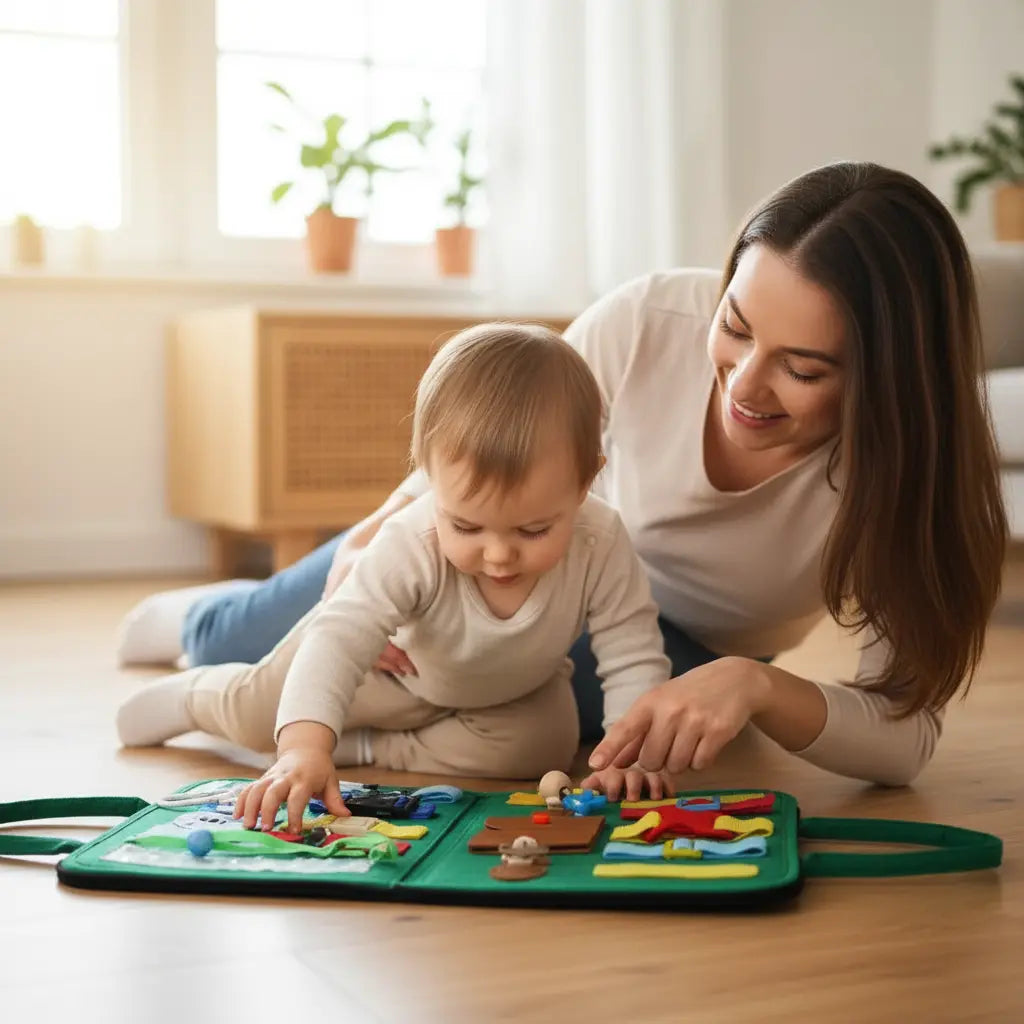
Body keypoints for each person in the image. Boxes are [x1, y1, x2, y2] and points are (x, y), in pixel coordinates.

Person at [122, 160, 1007, 790]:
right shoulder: (648, 319)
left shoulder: (918, 473)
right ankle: (190, 623)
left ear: (891, 380)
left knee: (523, 720)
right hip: (522, 546)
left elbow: (904, 738)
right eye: (735, 325)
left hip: (675, 641)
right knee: (269, 638)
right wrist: (386, 536)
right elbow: (488, 444)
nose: (743, 385)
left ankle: (327, 728)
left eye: (804, 369)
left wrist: (759, 686)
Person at [117, 323, 676, 829]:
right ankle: (195, 697)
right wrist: (303, 748)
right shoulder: (413, 539)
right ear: (429, 479)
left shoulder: (602, 539)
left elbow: (631, 649)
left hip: (508, 695)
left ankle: (357, 747)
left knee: (543, 747)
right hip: (388, 676)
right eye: (467, 525)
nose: (499, 555)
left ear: (586, 483)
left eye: (533, 531)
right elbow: (339, 639)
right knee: (260, 713)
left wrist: (631, 760)